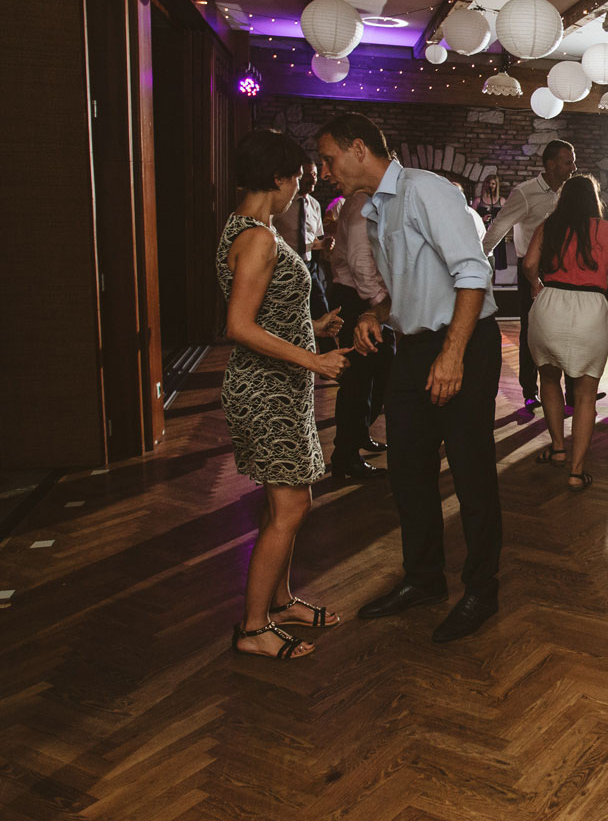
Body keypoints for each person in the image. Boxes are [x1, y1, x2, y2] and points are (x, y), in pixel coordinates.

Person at [314, 113, 506, 645]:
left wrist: (453, 354)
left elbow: (473, 271)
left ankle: (482, 590)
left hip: (463, 343)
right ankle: (423, 579)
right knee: (407, 469)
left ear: (358, 149)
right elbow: (409, 288)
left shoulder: (425, 190)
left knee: (470, 471)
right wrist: (376, 315)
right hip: (415, 348)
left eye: (328, 158)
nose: (324, 171)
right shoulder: (373, 208)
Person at [216, 130, 350, 661]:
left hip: (278, 385)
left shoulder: (248, 228)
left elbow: (265, 314)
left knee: (287, 502)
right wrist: (315, 359)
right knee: (291, 505)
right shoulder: (258, 238)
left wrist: (312, 327)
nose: (300, 186)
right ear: (277, 178)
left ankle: (280, 600)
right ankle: (253, 628)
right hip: (266, 389)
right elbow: (239, 326)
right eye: (297, 176)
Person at [521, 174, 608, 490]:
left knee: (548, 379)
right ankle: (576, 471)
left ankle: (558, 448)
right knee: (586, 394)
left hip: (550, 303)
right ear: (593, 200)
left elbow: (529, 264)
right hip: (591, 308)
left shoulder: (549, 227)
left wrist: (536, 284)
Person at [482, 140, 578, 412]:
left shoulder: (571, 192)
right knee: (532, 332)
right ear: (551, 164)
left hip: (565, 269)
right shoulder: (525, 193)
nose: (574, 167)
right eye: (568, 161)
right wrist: (478, 260)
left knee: (569, 330)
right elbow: (500, 225)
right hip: (533, 269)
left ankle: (573, 394)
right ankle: (529, 391)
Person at [324, 180, 392, 479]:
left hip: (364, 297)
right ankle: (345, 457)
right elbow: (360, 263)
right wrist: (381, 308)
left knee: (375, 376)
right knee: (358, 382)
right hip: (358, 299)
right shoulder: (362, 203)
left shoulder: (368, 200)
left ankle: (359, 435)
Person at [272, 160, 330, 314]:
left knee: (321, 309)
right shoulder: (282, 204)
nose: (313, 179)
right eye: (308, 175)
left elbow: (314, 241)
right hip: (285, 267)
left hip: (308, 267)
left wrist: (323, 244)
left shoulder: (315, 205)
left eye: (315, 175)